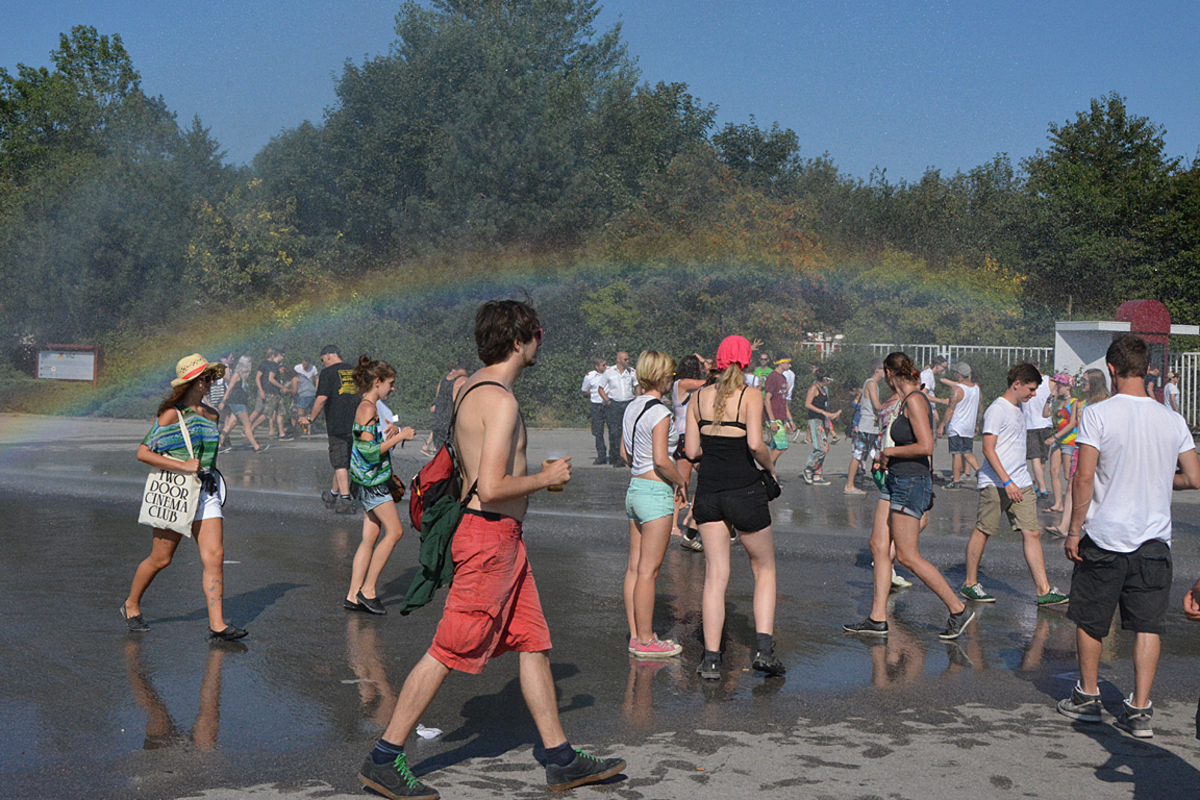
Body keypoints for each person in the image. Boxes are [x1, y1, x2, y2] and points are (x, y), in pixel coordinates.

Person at [357, 299, 626, 799]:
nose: (540, 343)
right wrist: (546, 477)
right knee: (448, 647)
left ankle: (560, 757)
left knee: (532, 642)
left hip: (499, 540)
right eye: (538, 334)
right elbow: (491, 484)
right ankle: (384, 757)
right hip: (488, 537)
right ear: (521, 339)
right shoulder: (501, 401)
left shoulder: (466, 389)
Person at [1056, 335, 1200, 739]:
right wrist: (1157, 477)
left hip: (1105, 535)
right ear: (1148, 368)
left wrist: (1072, 530)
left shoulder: (1098, 415)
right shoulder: (1171, 419)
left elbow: (1084, 476)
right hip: (1154, 540)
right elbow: (1194, 477)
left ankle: (1088, 695)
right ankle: (1139, 709)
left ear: (1113, 370)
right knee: (1147, 626)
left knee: (1090, 619)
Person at [843, 352, 974, 641]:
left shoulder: (915, 400)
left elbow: (926, 446)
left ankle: (958, 608)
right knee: (878, 546)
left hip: (910, 482)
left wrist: (889, 452)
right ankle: (877, 618)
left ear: (890, 374)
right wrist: (886, 460)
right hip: (894, 480)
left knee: (906, 555)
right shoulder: (904, 401)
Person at [121, 354, 247, 641]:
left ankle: (217, 624)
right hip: (176, 493)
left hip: (206, 492)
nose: (211, 383)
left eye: (212, 378)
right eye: (206, 378)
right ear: (191, 382)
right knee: (161, 559)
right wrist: (182, 465)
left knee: (215, 556)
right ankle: (131, 604)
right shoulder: (171, 415)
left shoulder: (212, 414)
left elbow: (207, 457)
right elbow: (143, 452)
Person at [685, 334, 784, 680]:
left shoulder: (697, 398)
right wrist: (770, 469)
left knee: (715, 576)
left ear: (718, 360)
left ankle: (711, 660)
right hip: (744, 491)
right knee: (764, 570)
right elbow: (756, 444)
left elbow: (693, 452)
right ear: (745, 362)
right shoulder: (750, 396)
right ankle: (765, 651)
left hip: (709, 493)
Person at [959, 363, 1068, 606]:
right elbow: (988, 449)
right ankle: (969, 583)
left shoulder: (1019, 409)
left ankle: (1044, 590)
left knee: (1033, 532)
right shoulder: (998, 409)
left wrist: (1015, 480)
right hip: (996, 482)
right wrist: (1006, 481)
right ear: (1016, 384)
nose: (1033, 394)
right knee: (984, 530)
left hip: (1020, 480)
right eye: (1030, 389)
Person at [620, 351, 688, 658]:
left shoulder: (632, 407)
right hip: (655, 492)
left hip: (634, 489)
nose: (672, 380)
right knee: (649, 571)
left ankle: (636, 634)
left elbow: (625, 453)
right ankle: (647, 641)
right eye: (671, 376)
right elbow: (662, 460)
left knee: (635, 568)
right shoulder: (660, 412)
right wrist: (681, 481)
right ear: (661, 377)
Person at [343, 356, 416, 616]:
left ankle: (353, 595)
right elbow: (368, 452)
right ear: (377, 382)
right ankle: (368, 590)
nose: (392, 388)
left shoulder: (370, 408)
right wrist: (403, 437)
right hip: (372, 482)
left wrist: (391, 434)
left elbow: (371, 442)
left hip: (367, 479)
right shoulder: (367, 408)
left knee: (370, 536)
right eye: (390, 383)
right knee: (395, 531)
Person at [299, 345, 361, 515]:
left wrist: (310, 418)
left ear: (328, 355)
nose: (322, 363)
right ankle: (332, 495)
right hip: (357, 423)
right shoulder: (354, 370)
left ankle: (346, 500)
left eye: (322, 360)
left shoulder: (328, 373)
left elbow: (321, 399)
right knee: (343, 460)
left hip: (337, 424)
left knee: (340, 462)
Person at [1047, 368, 1109, 538]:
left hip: (1101, 450)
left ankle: (1095, 523)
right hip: (1079, 448)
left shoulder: (1106, 403)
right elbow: (1073, 422)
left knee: (1101, 486)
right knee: (1072, 485)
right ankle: (1064, 525)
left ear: (1095, 383)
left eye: (1085, 381)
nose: (1081, 383)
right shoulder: (1079, 403)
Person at [673, 354, 708, 550]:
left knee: (704, 476)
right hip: (684, 435)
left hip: (692, 435)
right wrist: (706, 365)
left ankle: (690, 517)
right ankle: (673, 524)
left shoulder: (684, 382)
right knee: (682, 482)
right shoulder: (683, 383)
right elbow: (708, 381)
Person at [938, 362, 981, 489]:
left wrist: (941, 425)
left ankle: (956, 481)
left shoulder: (957, 389)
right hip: (969, 426)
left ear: (958, 374)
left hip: (957, 426)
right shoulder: (976, 388)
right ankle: (980, 471)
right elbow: (980, 406)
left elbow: (950, 410)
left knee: (956, 453)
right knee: (967, 452)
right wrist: (977, 424)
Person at [844, 360, 884, 496]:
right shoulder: (871, 383)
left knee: (875, 454)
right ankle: (849, 485)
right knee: (859, 455)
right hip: (867, 426)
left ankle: (883, 483)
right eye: (884, 369)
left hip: (870, 426)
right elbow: (877, 406)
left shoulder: (873, 384)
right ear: (877, 370)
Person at [1043, 374, 1079, 514]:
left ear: (1068, 386)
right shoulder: (1058, 402)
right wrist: (1049, 399)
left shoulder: (1074, 402)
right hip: (1058, 440)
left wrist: (1054, 437)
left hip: (1069, 440)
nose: (1057, 387)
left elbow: (1072, 424)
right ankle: (1058, 503)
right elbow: (1045, 414)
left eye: (1060, 385)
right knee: (1053, 470)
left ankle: (1074, 502)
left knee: (1067, 474)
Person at [424, 356, 471, 457]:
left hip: (438, 421)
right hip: (450, 425)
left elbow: (438, 398)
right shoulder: (464, 380)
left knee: (440, 456)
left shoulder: (444, 379)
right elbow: (458, 403)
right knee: (451, 458)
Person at [217, 355, 264, 453]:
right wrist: (223, 401)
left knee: (231, 424)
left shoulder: (243, 377)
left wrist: (247, 396)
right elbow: (229, 388)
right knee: (247, 425)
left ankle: (219, 444)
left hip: (239, 402)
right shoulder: (236, 375)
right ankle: (256, 446)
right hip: (236, 402)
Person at [802, 368, 841, 485]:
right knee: (821, 448)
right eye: (830, 380)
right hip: (815, 419)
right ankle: (809, 467)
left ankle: (817, 474)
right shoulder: (814, 388)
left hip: (823, 420)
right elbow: (808, 404)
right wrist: (823, 412)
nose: (831, 382)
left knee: (825, 447)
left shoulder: (824, 389)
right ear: (825, 379)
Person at [1022, 367, 1053, 498]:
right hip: (1041, 424)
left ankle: (1040, 486)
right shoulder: (1049, 381)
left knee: (1038, 458)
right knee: (1039, 458)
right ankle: (1041, 486)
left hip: (1035, 424)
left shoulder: (1026, 383)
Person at [603, 351, 638, 466]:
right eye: (625, 359)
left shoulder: (631, 372)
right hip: (615, 404)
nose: (627, 361)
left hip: (628, 403)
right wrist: (608, 401)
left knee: (628, 431)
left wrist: (636, 399)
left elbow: (637, 386)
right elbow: (600, 388)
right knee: (614, 432)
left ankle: (627, 456)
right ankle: (616, 456)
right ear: (618, 360)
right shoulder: (609, 372)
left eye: (628, 359)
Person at [763, 357, 795, 470]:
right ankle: (763, 471)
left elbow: (783, 401)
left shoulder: (783, 378)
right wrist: (772, 420)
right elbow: (767, 399)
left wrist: (790, 420)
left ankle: (771, 477)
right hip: (773, 417)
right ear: (780, 364)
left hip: (781, 416)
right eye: (788, 363)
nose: (790, 366)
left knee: (774, 447)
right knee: (782, 446)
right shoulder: (772, 377)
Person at [580, 356, 610, 464]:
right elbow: (584, 390)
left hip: (609, 405)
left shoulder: (610, 372)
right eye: (603, 365)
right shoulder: (590, 376)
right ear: (597, 367)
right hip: (597, 406)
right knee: (598, 432)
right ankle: (601, 455)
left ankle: (614, 455)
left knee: (614, 430)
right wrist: (594, 393)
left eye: (606, 364)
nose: (606, 366)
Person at [293, 355, 319, 435]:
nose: (305, 365)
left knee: (306, 412)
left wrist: (317, 389)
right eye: (304, 363)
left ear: (309, 363)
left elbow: (317, 378)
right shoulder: (297, 368)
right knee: (302, 412)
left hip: (308, 392)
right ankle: (302, 429)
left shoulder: (313, 368)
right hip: (301, 391)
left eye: (306, 364)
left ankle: (307, 430)